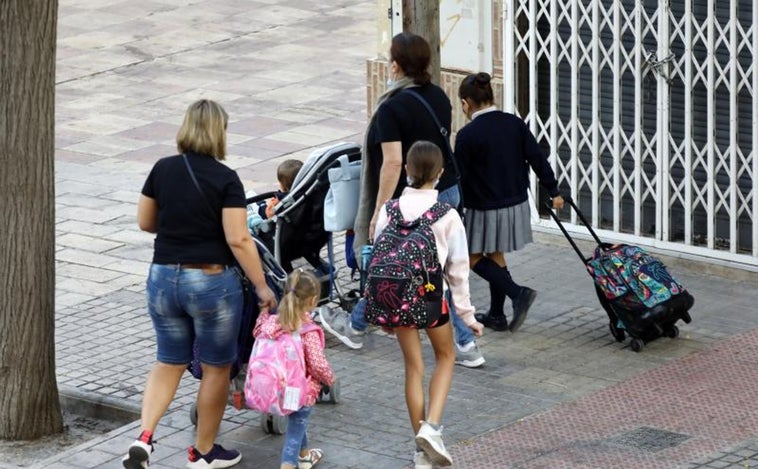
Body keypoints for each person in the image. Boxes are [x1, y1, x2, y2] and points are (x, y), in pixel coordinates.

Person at [124, 99, 277, 469]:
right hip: (210, 281)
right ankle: (203, 452)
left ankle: (144, 436)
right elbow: (239, 239)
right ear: (218, 133)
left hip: (163, 277)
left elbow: (146, 222)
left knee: (168, 361)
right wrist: (262, 286)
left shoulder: (162, 169)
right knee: (216, 367)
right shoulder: (226, 178)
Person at [320, 32, 485, 368]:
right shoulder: (438, 95)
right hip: (448, 189)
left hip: (414, 203)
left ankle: (462, 343)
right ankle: (358, 325)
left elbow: (393, 162)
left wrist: (379, 210)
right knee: (426, 270)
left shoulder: (391, 108)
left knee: (397, 269)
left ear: (395, 65)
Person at [370, 141, 483, 468]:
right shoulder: (447, 216)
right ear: (440, 174)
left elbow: (379, 259)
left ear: (406, 169)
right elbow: (459, 271)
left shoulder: (388, 210)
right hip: (432, 299)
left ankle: (420, 450)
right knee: (446, 357)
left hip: (396, 300)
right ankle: (432, 428)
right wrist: (468, 316)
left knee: (413, 368)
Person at [455, 72, 564, 333]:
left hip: (485, 206)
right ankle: (496, 315)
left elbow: (460, 177)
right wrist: (553, 190)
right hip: (515, 204)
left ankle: (518, 293)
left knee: (468, 257)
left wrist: (454, 210)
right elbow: (537, 158)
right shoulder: (514, 123)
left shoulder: (468, 135)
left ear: (466, 103)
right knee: (495, 254)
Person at [253, 269, 335, 469]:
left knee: (297, 423)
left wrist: (264, 312)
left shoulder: (271, 323)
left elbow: (257, 331)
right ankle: (288, 465)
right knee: (295, 429)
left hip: (275, 387)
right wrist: (329, 378)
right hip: (301, 390)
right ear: (313, 300)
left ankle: (305, 455)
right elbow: (317, 364)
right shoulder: (307, 330)